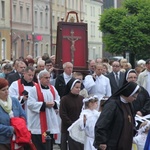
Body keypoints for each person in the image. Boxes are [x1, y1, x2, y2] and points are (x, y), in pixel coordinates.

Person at [94, 82, 140, 150]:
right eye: (134, 96)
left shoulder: (129, 104)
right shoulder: (113, 104)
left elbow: (131, 120)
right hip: (112, 144)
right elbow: (102, 124)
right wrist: (101, 141)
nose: (135, 99)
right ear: (128, 93)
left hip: (125, 143)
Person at [27, 70, 60, 150]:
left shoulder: (52, 89)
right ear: (40, 78)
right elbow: (30, 104)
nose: (48, 79)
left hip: (50, 124)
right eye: (46, 78)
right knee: (40, 145)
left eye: (49, 77)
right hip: (38, 125)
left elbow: (58, 100)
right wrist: (44, 104)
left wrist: (54, 103)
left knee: (48, 144)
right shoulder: (34, 89)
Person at [0, 78, 26, 150]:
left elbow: (23, 115)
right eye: (3, 90)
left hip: (18, 139)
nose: (7, 92)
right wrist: (11, 129)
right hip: (3, 142)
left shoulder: (14, 101)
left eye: (7, 89)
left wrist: (20, 125)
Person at [59, 78, 84, 150]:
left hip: (79, 128)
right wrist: (72, 124)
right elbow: (62, 114)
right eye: (76, 87)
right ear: (71, 87)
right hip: (67, 128)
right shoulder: (64, 99)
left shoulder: (82, 99)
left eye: (79, 87)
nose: (78, 89)